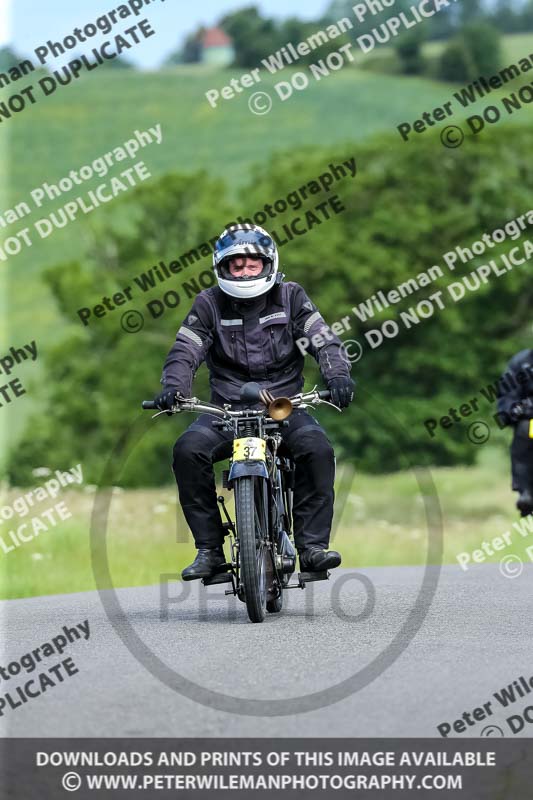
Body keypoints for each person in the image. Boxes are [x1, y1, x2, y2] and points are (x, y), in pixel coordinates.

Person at [154, 223, 355, 580]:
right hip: (226, 410)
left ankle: (311, 549)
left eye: (252, 264)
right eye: (237, 265)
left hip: (286, 404)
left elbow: (323, 338)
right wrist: (174, 387)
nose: (245, 271)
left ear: (269, 264)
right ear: (222, 268)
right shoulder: (208, 303)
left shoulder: (291, 296)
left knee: (317, 448)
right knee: (187, 450)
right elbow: (185, 349)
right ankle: (210, 550)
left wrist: (337, 376)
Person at [496, 348, 533, 516]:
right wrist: (515, 410)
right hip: (531, 419)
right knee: (524, 429)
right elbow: (507, 396)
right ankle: (525, 491)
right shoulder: (521, 362)